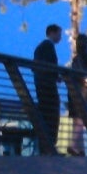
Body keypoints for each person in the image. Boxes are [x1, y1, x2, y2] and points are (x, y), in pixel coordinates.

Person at [33, 24, 62, 155]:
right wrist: (55, 76)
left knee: (45, 115)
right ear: (52, 33)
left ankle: (46, 146)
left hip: (42, 87)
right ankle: (50, 146)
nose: (60, 37)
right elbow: (48, 66)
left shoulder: (41, 48)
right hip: (48, 88)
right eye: (59, 34)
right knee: (51, 115)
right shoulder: (47, 47)